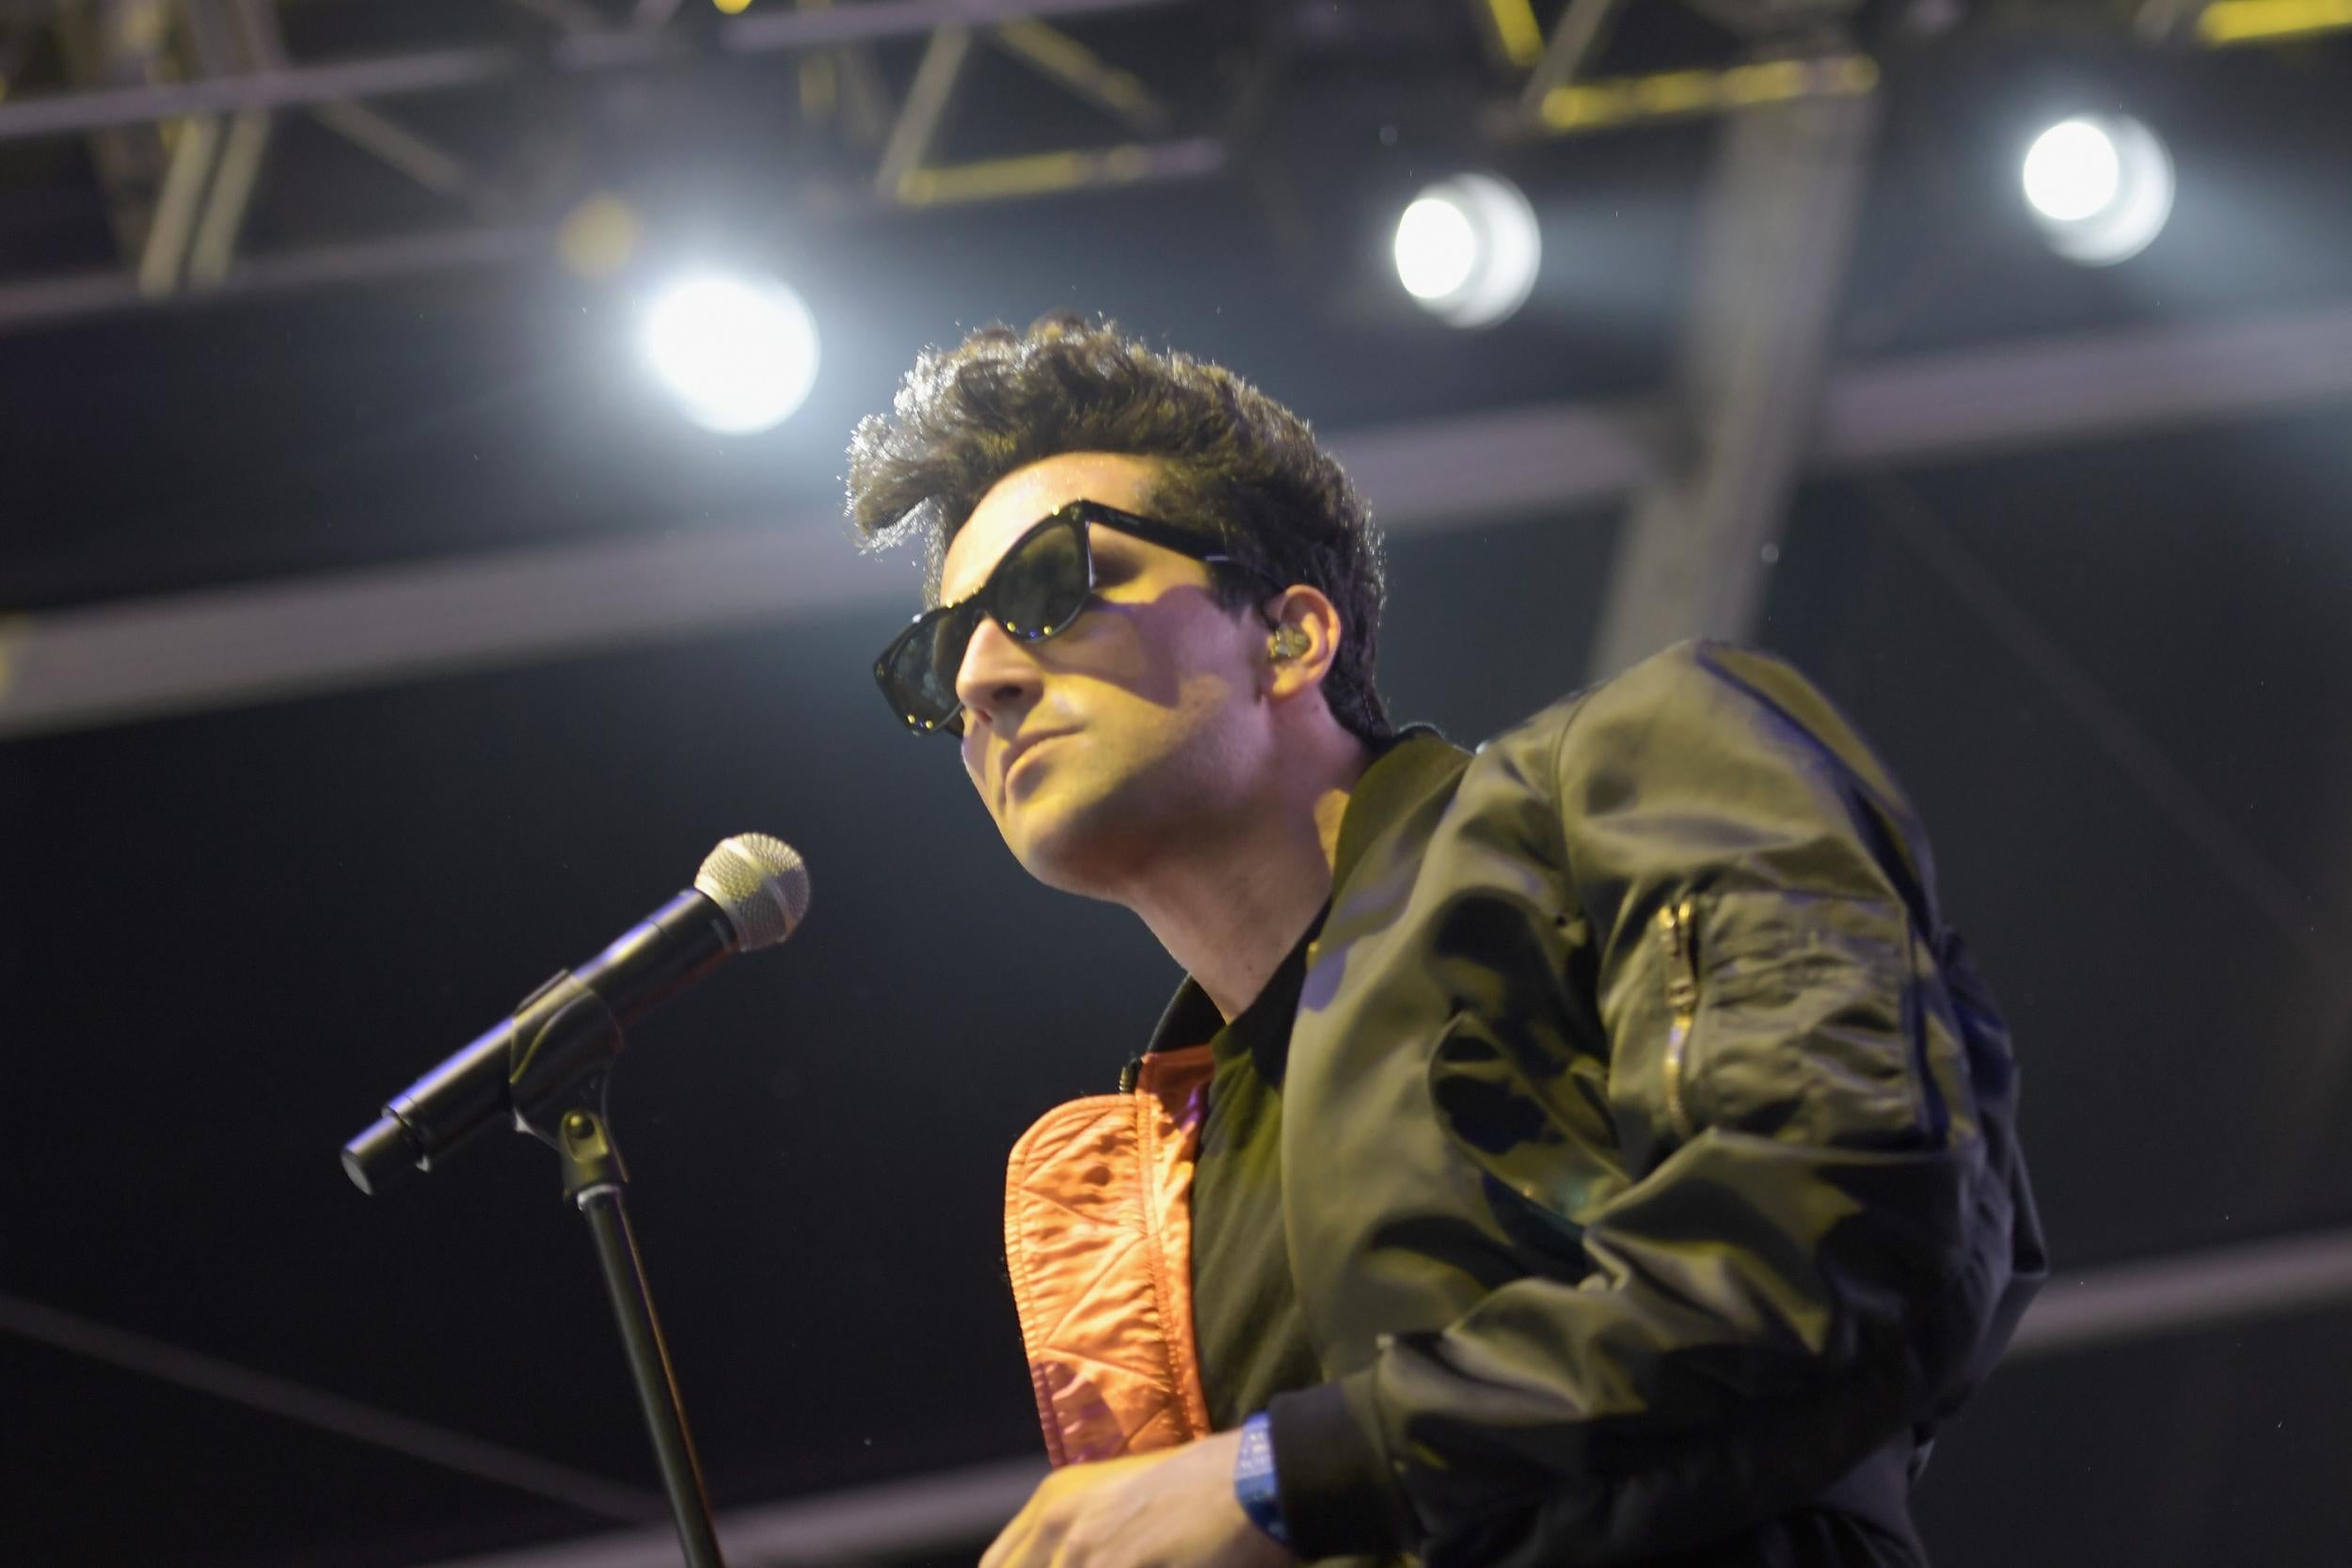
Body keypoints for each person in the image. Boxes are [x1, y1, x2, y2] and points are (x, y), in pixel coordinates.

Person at [844, 315, 2045, 1568]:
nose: (981, 675)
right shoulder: (1179, 1182)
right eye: (937, 656)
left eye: (1047, 586)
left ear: (1291, 635)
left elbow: (1838, 1228)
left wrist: (1279, 1476)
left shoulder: (1627, 773)